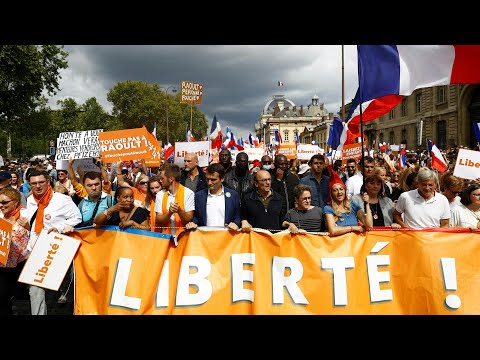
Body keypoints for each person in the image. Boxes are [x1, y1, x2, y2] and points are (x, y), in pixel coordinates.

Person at [26, 169, 82, 315]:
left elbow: (77, 218)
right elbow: (32, 226)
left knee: (65, 284)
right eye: (34, 184)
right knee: (35, 289)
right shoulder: (30, 200)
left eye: (41, 182)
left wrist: (59, 227)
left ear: (48, 182)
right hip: (37, 248)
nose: (38, 186)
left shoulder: (62, 199)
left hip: (58, 247)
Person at [0, 188, 30, 315]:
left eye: (4, 202)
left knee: (22, 294)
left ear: (15, 202)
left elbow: (37, 233)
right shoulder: (0, 216)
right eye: (0, 203)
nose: (1, 206)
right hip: (3, 263)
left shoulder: (26, 215)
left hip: (22, 263)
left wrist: (28, 226)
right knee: (2, 295)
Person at [185, 163, 240, 230]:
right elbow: (196, 216)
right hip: (205, 237)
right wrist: (193, 223)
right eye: (207, 179)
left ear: (222, 179)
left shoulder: (233, 195)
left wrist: (235, 223)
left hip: (226, 237)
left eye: (213, 180)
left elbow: (237, 216)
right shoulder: (199, 196)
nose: (209, 183)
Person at [324, 166, 373, 237]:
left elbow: (369, 225)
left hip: (356, 244)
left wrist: (367, 204)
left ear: (345, 191)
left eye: (341, 189)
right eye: (335, 190)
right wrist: (352, 228)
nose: (339, 192)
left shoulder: (353, 205)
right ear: (331, 194)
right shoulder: (328, 208)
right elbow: (333, 231)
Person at [155, 163, 195, 239]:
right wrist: (169, 213)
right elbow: (159, 220)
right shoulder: (160, 195)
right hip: (166, 239)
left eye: (162, 178)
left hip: (183, 238)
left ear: (171, 179)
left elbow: (189, 219)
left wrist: (180, 211)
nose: (160, 180)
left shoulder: (188, 193)